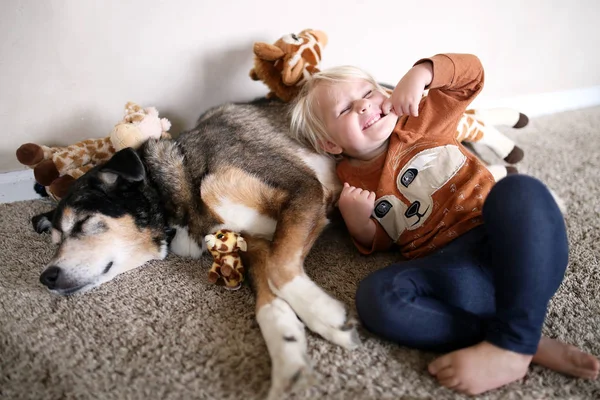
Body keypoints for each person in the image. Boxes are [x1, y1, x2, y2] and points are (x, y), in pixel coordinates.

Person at [290, 53, 599, 395]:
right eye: (345, 110)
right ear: (330, 144)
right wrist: (358, 221)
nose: (363, 106)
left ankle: (512, 343)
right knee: (376, 296)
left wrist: (422, 72)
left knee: (520, 191)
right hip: (454, 273)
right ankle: (519, 340)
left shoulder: (422, 117)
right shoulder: (349, 179)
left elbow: (471, 74)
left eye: (367, 93)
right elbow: (383, 240)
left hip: (513, 247)